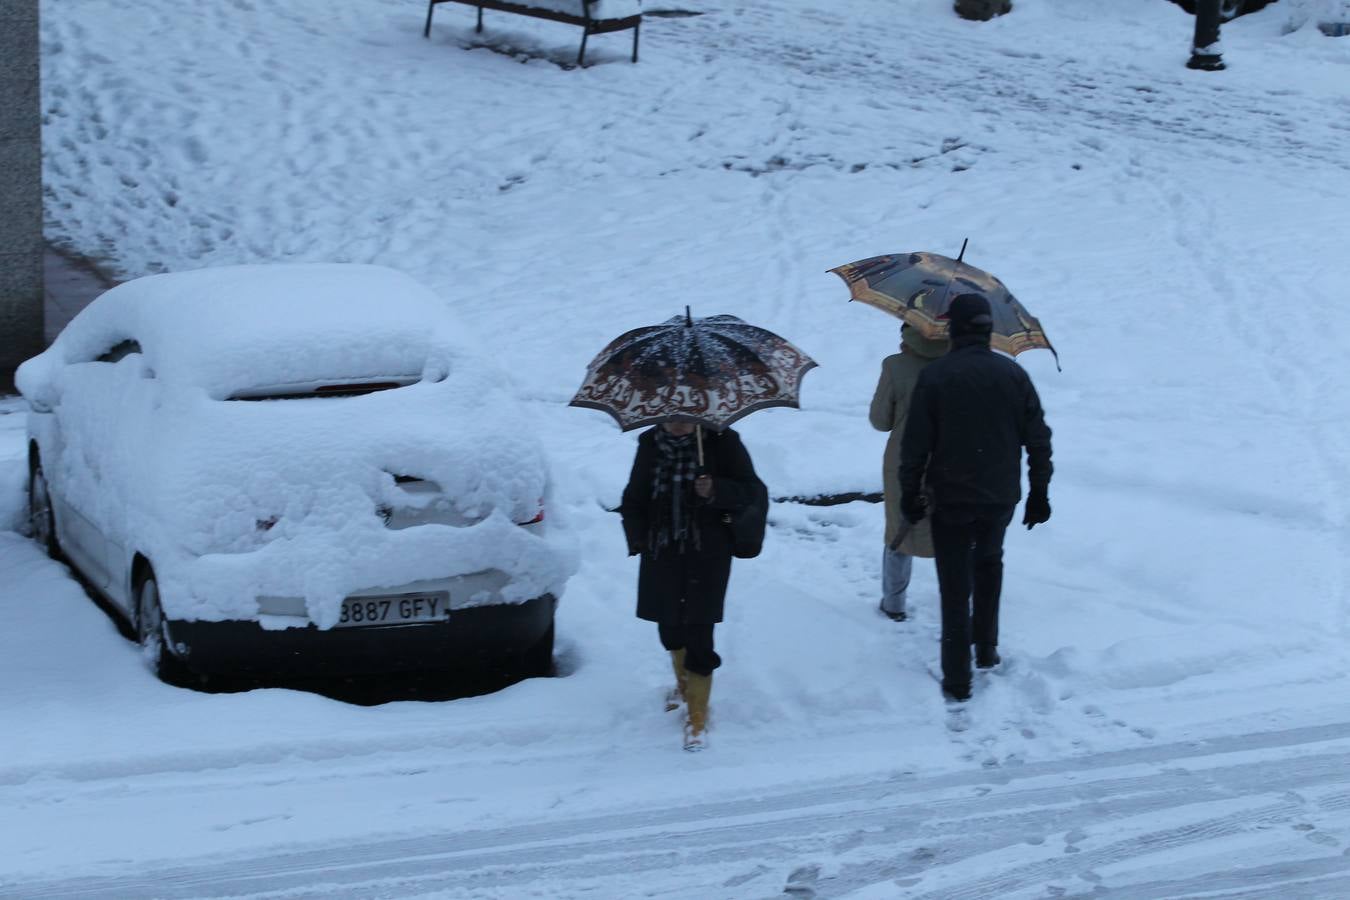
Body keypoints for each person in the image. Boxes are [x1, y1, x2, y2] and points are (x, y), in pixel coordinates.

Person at [899, 293, 1053, 702]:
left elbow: (914, 446)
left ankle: (957, 678)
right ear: (988, 330)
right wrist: (1040, 492)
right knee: (989, 565)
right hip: (1000, 496)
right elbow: (1038, 440)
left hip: (950, 497)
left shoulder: (936, 376)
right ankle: (985, 649)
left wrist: (909, 494)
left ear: (953, 330)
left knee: (954, 584)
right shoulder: (1013, 376)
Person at [619, 421, 761, 751]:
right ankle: (683, 686)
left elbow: (751, 491)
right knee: (668, 628)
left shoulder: (722, 440)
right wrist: (638, 535)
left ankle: (697, 714)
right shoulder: (651, 443)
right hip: (662, 551)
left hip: (707, 552)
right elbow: (634, 497)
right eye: (671, 417)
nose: (678, 424)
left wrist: (715, 491)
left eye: (685, 417)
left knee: (699, 630)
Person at [869, 323, 949, 622]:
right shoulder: (958, 365)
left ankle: (894, 603)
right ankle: (953, 603)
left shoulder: (895, 365)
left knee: (899, 532)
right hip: (948, 461)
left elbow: (880, 420)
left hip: (902, 462)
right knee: (948, 534)